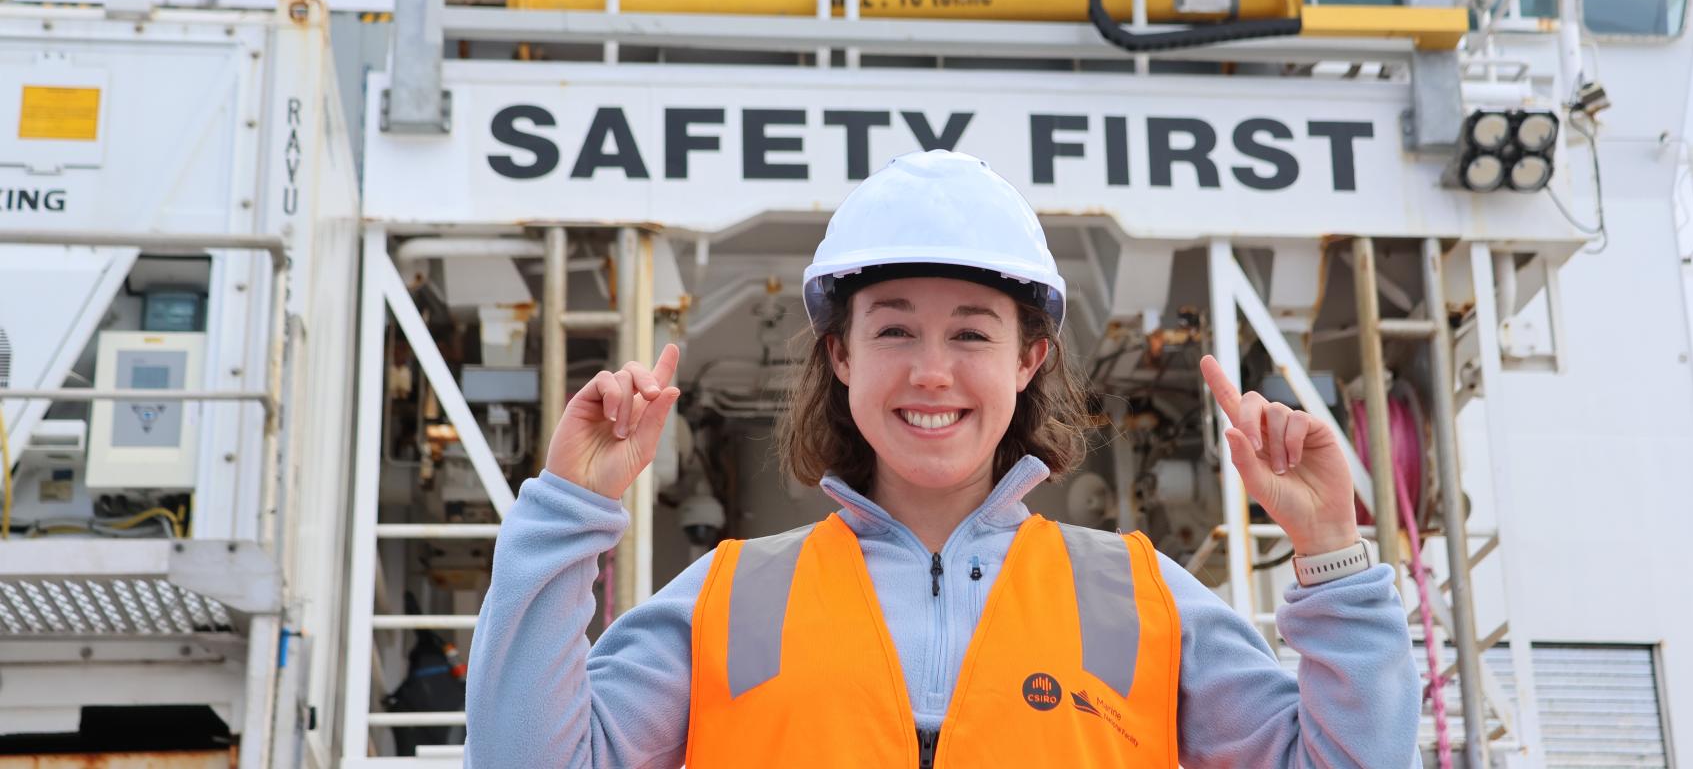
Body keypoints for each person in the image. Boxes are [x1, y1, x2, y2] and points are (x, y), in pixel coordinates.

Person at [465, 150, 1422, 767]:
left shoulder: (1140, 598)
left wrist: (1332, 550)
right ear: (841, 357)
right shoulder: (727, 598)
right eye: (892, 332)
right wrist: (565, 513)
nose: (931, 373)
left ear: (1028, 358)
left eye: (971, 333)